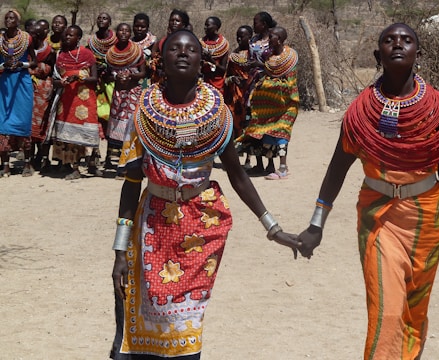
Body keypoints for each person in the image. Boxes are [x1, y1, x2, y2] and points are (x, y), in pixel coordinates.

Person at [109, 29, 299, 359]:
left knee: (188, 323)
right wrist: (120, 251)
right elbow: (131, 183)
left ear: (202, 61)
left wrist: (272, 226)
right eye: (175, 49)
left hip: (201, 227)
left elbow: (238, 176)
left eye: (191, 50)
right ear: (161, 60)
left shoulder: (218, 114)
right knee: (146, 316)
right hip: (152, 226)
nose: (183, 54)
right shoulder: (142, 113)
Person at [297, 23, 439, 360]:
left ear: (419, 52)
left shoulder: (437, 109)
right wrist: (317, 223)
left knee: (414, 311)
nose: (398, 45)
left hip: (425, 219)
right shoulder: (360, 113)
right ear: (378, 54)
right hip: (379, 218)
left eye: (406, 40)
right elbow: (336, 169)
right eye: (389, 40)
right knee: (387, 311)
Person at [236, 26, 299, 180]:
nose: (269, 40)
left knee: (282, 133)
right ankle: (268, 166)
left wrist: (270, 85)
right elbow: (266, 75)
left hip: (285, 104)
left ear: (280, 40)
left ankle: (283, 167)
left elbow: (290, 83)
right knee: (268, 136)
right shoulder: (269, 58)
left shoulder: (289, 58)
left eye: (272, 37)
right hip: (267, 107)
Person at [50, 25, 100, 180]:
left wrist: (79, 78)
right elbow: (54, 80)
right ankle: (71, 166)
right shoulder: (60, 55)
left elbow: (95, 78)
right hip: (66, 101)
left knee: (82, 134)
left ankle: (86, 165)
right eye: (66, 35)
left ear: (78, 38)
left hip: (84, 100)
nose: (67, 37)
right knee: (67, 135)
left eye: (71, 35)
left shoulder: (87, 54)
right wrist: (62, 82)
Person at [105, 23, 146, 179]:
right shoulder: (111, 53)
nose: (123, 32)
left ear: (130, 33)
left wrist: (129, 76)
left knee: (133, 129)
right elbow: (107, 75)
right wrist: (117, 77)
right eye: (121, 30)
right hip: (118, 96)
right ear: (116, 33)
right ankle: (118, 166)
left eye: (126, 30)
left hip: (133, 93)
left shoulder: (137, 51)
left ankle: (131, 166)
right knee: (116, 131)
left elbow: (142, 73)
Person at [0, 9, 36, 177]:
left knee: (23, 121)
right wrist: (3, 66)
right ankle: (5, 165)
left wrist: (22, 65)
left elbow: (34, 61)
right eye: (6, 18)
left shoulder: (27, 38)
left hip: (22, 81)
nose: (9, 20)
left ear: (18, 21)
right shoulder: (0, 39)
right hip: (5, 83)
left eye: (12, 18)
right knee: (3, 123)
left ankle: (27, 164)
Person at [243, 11, 277, 175]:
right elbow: (250, 58)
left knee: (268, 124)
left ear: (264, 24)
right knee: (253, 123)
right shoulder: (252, 40)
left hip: (268, 86)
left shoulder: (273, 41)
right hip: (252, 85)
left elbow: (279, 63)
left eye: (256, 22)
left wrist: (261, 65)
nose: (254, 24)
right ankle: (258, 163)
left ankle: (270, 162)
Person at [87, 12, 117, 171]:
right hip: (96, 84)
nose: (101, 20)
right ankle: (94, 155)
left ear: (110, 21)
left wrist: (109, 69)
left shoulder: (117, 41)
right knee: (95, 119)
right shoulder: (91, 41)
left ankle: (110, 158)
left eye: (105, 18)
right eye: (99, 18)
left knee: (112, 120)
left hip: (111, 84)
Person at [28, 19, 55, 171]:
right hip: (28, 88)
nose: (33, 36)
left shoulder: (49, 51)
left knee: (44, 124)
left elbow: (52, 71)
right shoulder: (24, 49)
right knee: (30, 125)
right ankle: (30, 159)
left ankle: (43, 158)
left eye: (36, 33)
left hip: (44, 90)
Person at [224, 25, 252, 139]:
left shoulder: (254, 54)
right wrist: (232, 79)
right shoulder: (233, 56)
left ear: (250, 37)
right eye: (237, 37)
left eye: (242, 36)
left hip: (249, 91)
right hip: (235, 95)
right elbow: (227, 76)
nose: (239, 39)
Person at [150, 8, 190, 84]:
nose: (174, 23)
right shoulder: (161, 42)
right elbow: (154, 57)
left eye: (177, 21)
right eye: (172, 20)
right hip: (161, 80)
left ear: (183, 25)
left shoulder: (187, 42)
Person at [200, 16, 229, 94]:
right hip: (203, 82)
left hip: (217, 83)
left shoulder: (223, 44)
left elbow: (223, 70)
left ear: (216, 27)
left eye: (208, 25)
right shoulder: (201, 43)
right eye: (205, 25)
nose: (205, 27)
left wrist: (211, 61)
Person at [131, 12, 156, 89]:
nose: (139, 29)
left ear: (147, 27)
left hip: (149, 82)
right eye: (137, 26)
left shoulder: (153, 43)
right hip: (131, 82)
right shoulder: (129, 43)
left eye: (143, 27)